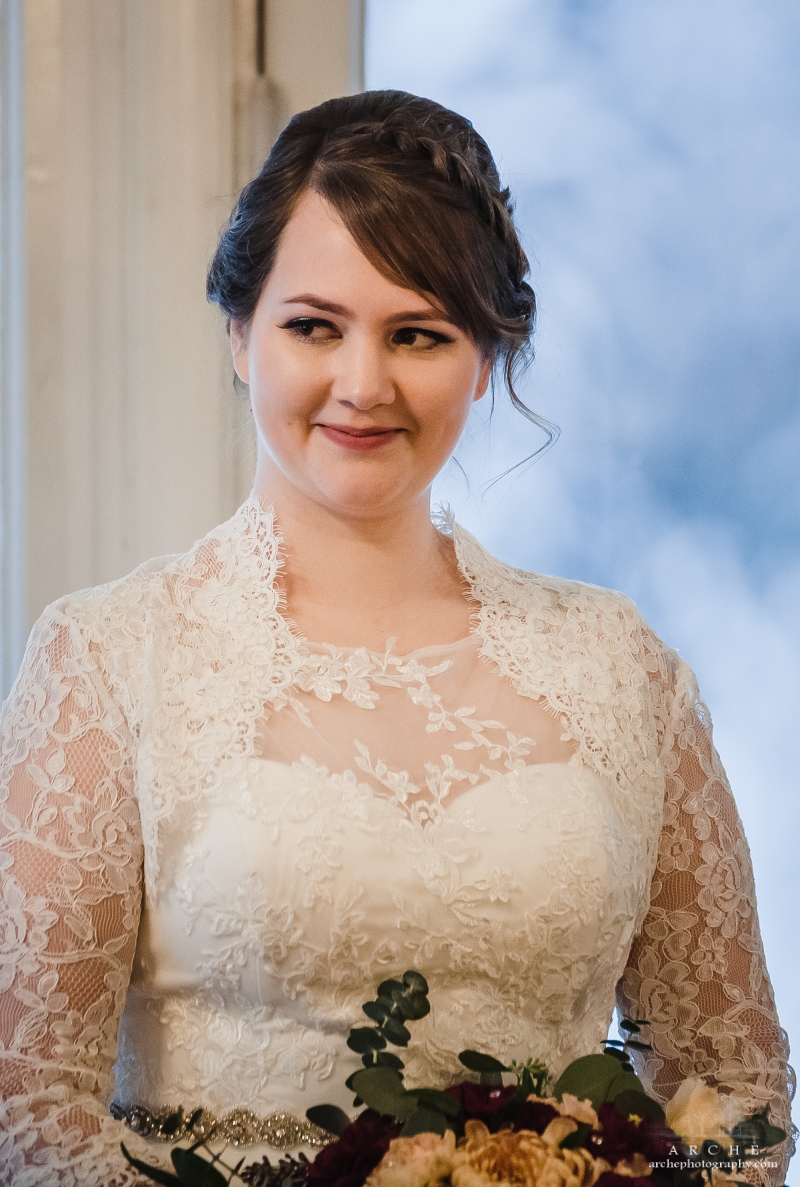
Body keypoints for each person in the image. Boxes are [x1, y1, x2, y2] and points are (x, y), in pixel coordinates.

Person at [0, 91, 793, 1187]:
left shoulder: (621, 670)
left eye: (417, 334)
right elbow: (30, 1107)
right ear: (240, 334)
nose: (363, 385)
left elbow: (736, 1091)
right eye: (313, 327)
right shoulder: (107, 660)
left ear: (486, 356)